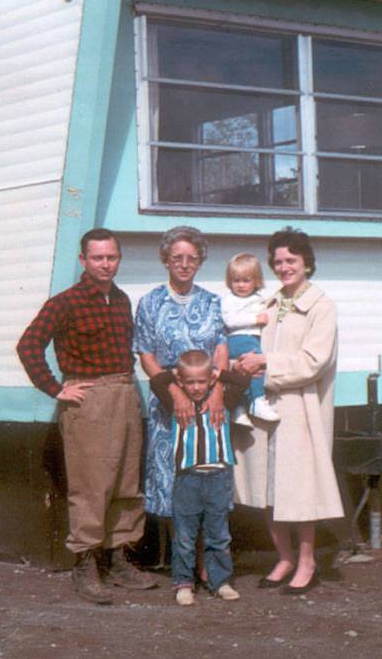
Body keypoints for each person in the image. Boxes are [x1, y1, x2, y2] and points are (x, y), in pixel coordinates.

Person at [17, 228, 157, 605]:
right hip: (88, 400)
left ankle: (118, 559)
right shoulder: (65, 302)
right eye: (98, 258)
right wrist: (56, 388)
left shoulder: (123, 300)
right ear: (83, 260)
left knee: (127, 481)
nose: (105, 264)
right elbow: (29, 345)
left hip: (125, 394)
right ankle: (86, 563)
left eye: (111, 257)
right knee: (91, 483)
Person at [232, 228, 344, 595]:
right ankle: (283, 556)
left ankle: (308, 559)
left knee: (298, 487)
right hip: (263, 407)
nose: (284, 267)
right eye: (278, 261)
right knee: (267, 486)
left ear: (306, 262)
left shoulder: (321, 306)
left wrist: (265, 363)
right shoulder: (268, 303)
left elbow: (313, 361)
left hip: (299, 407)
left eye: (291, 260)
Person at [133, 226, 229, 558]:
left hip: (208, 403)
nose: (184, 264)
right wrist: (173, 393)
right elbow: (146, 354)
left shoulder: (213, 302)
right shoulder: (149, 302)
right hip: (167, 404)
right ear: (166, 260)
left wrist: (217, 392)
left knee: (207, 478)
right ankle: (183, 562)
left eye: (191, 258)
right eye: (177, 258)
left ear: (200, 261)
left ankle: (208, 562)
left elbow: (220, 349)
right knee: (176, 480)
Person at [149, 350, 248, 606]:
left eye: (201, 381)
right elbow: (156, 381)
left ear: (210, 380)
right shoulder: (177, 403)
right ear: (181, 382)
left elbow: (243, 382)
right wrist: (175, 376)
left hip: (218, 479)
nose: (195, 387)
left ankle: (220, 581)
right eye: (189, 382)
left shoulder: (222, 401)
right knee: (184, 535)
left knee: (218, 535)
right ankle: (183, 583)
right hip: (187, 479)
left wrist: (218, 374)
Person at [221, 253, 278, 422]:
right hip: (238, 339)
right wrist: (255, 319)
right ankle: (257, 400)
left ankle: (238, 408)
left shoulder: (259, 299)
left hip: (252, 338)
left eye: (246, 281)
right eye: (236, 280)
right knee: (255, 368)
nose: (240, 285)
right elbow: (229, 321)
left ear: (256, 280)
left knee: (242, 373)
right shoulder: (228, 299)